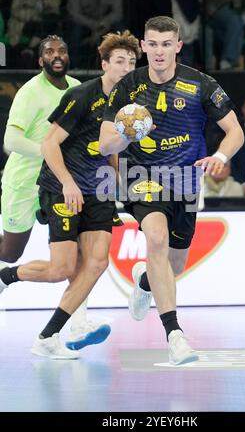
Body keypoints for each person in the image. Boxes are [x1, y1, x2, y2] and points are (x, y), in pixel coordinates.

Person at [99, 16, 244, 365]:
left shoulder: (201, 85)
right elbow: (106, 145)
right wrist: (128, 132)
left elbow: (234, 131)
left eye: (167, 44)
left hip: (186, 181)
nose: (159, 51)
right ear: (144, 46)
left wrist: (220, 156)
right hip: (142, 175)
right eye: (153, 44)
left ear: (178, 46)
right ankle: (175, 335)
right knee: (157, 239)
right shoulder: (127, 88)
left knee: (173, 263)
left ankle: (144, 281)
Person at [0, 30, 141, 359]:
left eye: (132, 62)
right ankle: (7, 275)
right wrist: (68, 182)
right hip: (58, 184)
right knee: (55, 266)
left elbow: (111, 147)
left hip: (98, 189)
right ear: (104, 64)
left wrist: (118, 181)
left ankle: (56, 333)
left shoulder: (129, 102)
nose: (126, 67)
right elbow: (49, 144)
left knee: (95, 263)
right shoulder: (80, 95)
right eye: (119, 61)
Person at [0, 34, 97, 340]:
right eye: (49, 52)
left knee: (79, 255)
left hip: (59, 184)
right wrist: (50, 151)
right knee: (11, 252)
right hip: (24, 183)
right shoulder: (30, 92)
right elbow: (10, 141)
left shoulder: (76, 90)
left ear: (68, 57)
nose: (57, 55)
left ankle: (79, 324)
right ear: (40, 60)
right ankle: (6, 276)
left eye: (62, 50)